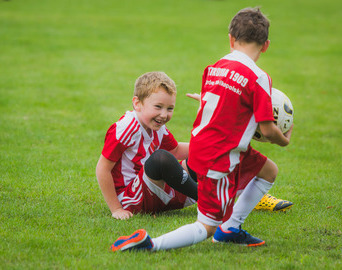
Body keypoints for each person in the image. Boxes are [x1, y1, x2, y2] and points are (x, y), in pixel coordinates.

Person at [110, 7, 294, 252]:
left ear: (230, 38)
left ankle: (231, 228)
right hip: (221, 154)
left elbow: (220, 102)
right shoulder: (259, 77)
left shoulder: (215, 67)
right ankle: (150, 245)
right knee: (206, 227)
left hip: (203, 145)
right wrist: (284, 140)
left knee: (269, 171)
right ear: (266, 45)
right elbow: (268, 130)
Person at [96, 71, 199, 220]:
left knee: (202, 156)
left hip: (152, 191)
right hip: (130, 199)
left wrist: (208, 146)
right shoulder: (125, 128)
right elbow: (102, 169)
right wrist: (116, 208)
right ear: (137, 103)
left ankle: (222, 193)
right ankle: (207, 201)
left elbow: (176, 150)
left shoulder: (158, 128)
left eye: (169, 109)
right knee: (160, 159)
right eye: (158, 107)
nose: (164, 115)